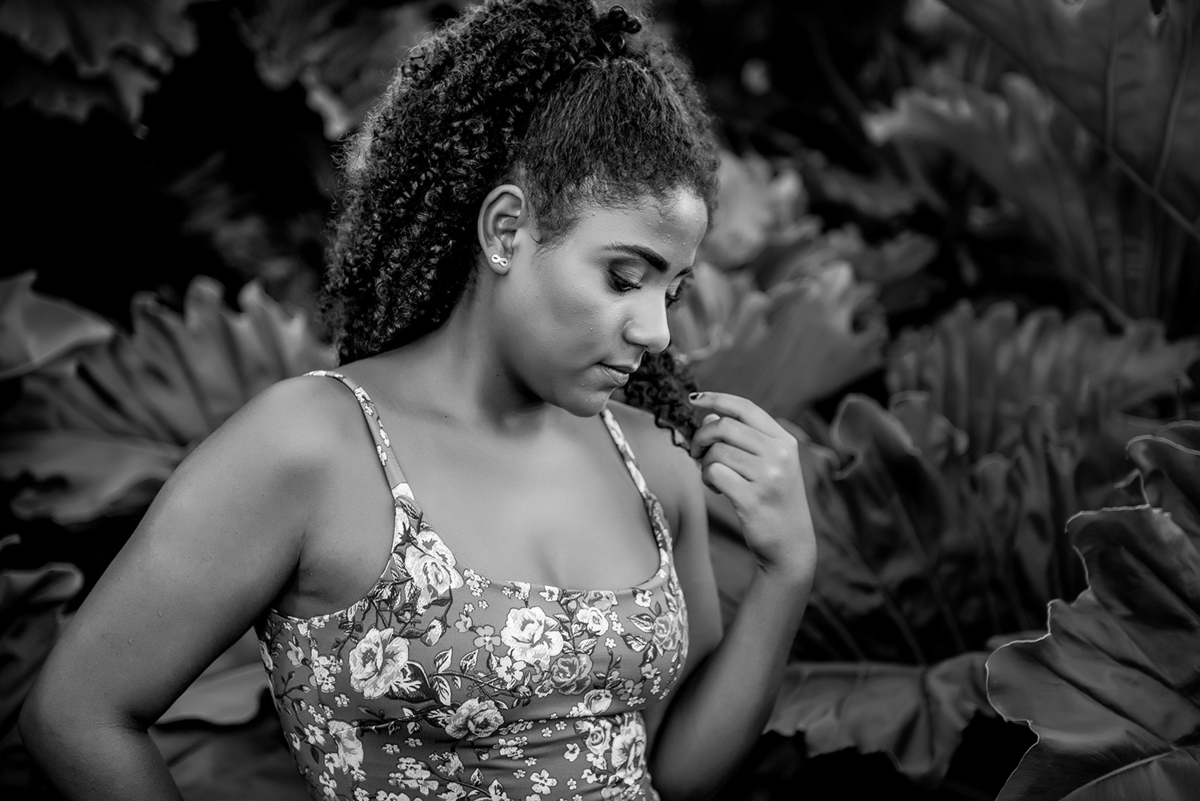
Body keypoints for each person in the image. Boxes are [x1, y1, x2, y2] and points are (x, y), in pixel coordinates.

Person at [19, 1, 816, 799]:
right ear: (506, 230)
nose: (655, 328)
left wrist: (786, 570)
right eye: (623, 276)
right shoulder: (315, 449)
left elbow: (672, 770)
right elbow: (76, 714)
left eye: (672, 289)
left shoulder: (652, 469)